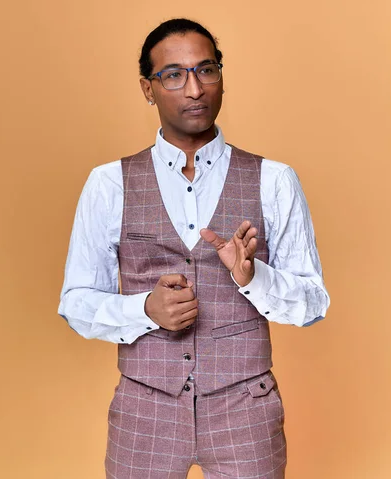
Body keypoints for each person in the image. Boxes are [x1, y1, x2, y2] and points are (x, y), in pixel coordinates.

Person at [58, 18, 330, 479]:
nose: (194, 89)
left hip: (246, 409)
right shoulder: (109, 183)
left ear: (221, 77)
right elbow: (76, 303)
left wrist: (253, 278)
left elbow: (312, 303)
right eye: (174, 75)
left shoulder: (274, 180)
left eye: (206, 70)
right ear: (148, 88)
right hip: (144, 410)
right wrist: (145, 309)